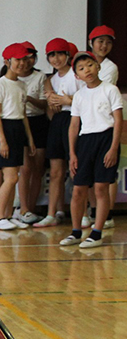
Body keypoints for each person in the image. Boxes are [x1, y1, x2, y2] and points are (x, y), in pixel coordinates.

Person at [61, 51, 123, 249]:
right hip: (85, 141)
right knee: (78, 189)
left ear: (98, 66)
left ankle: (97, 232)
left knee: (100, 188)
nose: (86, 70)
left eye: (89, 65)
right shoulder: (79, 96)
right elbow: (74, 126)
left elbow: (118, 120)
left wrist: (113, 147)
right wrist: (72, 153)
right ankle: (76, 231)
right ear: (77, 76)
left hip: (106, 138)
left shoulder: (110, 90)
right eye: (81, 68)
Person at [0, 43, 36, 231]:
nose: (22, 63)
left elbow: (23, 114)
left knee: (14, 176)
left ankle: (8, 215)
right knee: (10, 178)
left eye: (25, 59)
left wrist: (30, 139)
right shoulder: (0, 84)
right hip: (5, 129)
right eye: (17, 60)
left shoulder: (22, 85)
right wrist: (2, 140)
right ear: (7, 61)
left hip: (17, 129)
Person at [36, 38, 81, 228]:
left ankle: (83, 213)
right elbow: (52, 108)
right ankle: (51, 213)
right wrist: (53, 103)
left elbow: (86, 100)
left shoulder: (77, 75)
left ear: (68, 55)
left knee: (77, 169)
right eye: (52, 55)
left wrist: (67, 100)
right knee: (56, 170)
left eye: (60, 54)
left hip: (76, 119)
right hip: (58, 121)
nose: (56, 59)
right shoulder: (51, 80)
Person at [88, 26, 119, 229]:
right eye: (100, 41)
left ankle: (106, 213)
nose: (104, 45)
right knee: (89, 173)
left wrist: (66, 99)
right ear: (91, 43)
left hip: (105, 125)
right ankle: (94, 211)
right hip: (88, 125)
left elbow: (95, 92)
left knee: (107, 172)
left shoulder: (110, 68)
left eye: (108, 42)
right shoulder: (84, 63)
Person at [16, 42, 48, 224]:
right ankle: (23, 208)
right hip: (19, 121)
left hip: (38, 122)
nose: (26, 62)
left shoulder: (40, 76)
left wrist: (28, 98)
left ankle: (33, 207)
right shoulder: (11, 77)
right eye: (22, 58)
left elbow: (44, 104)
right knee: (25, 168)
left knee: (38, 168)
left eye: (30, 57)